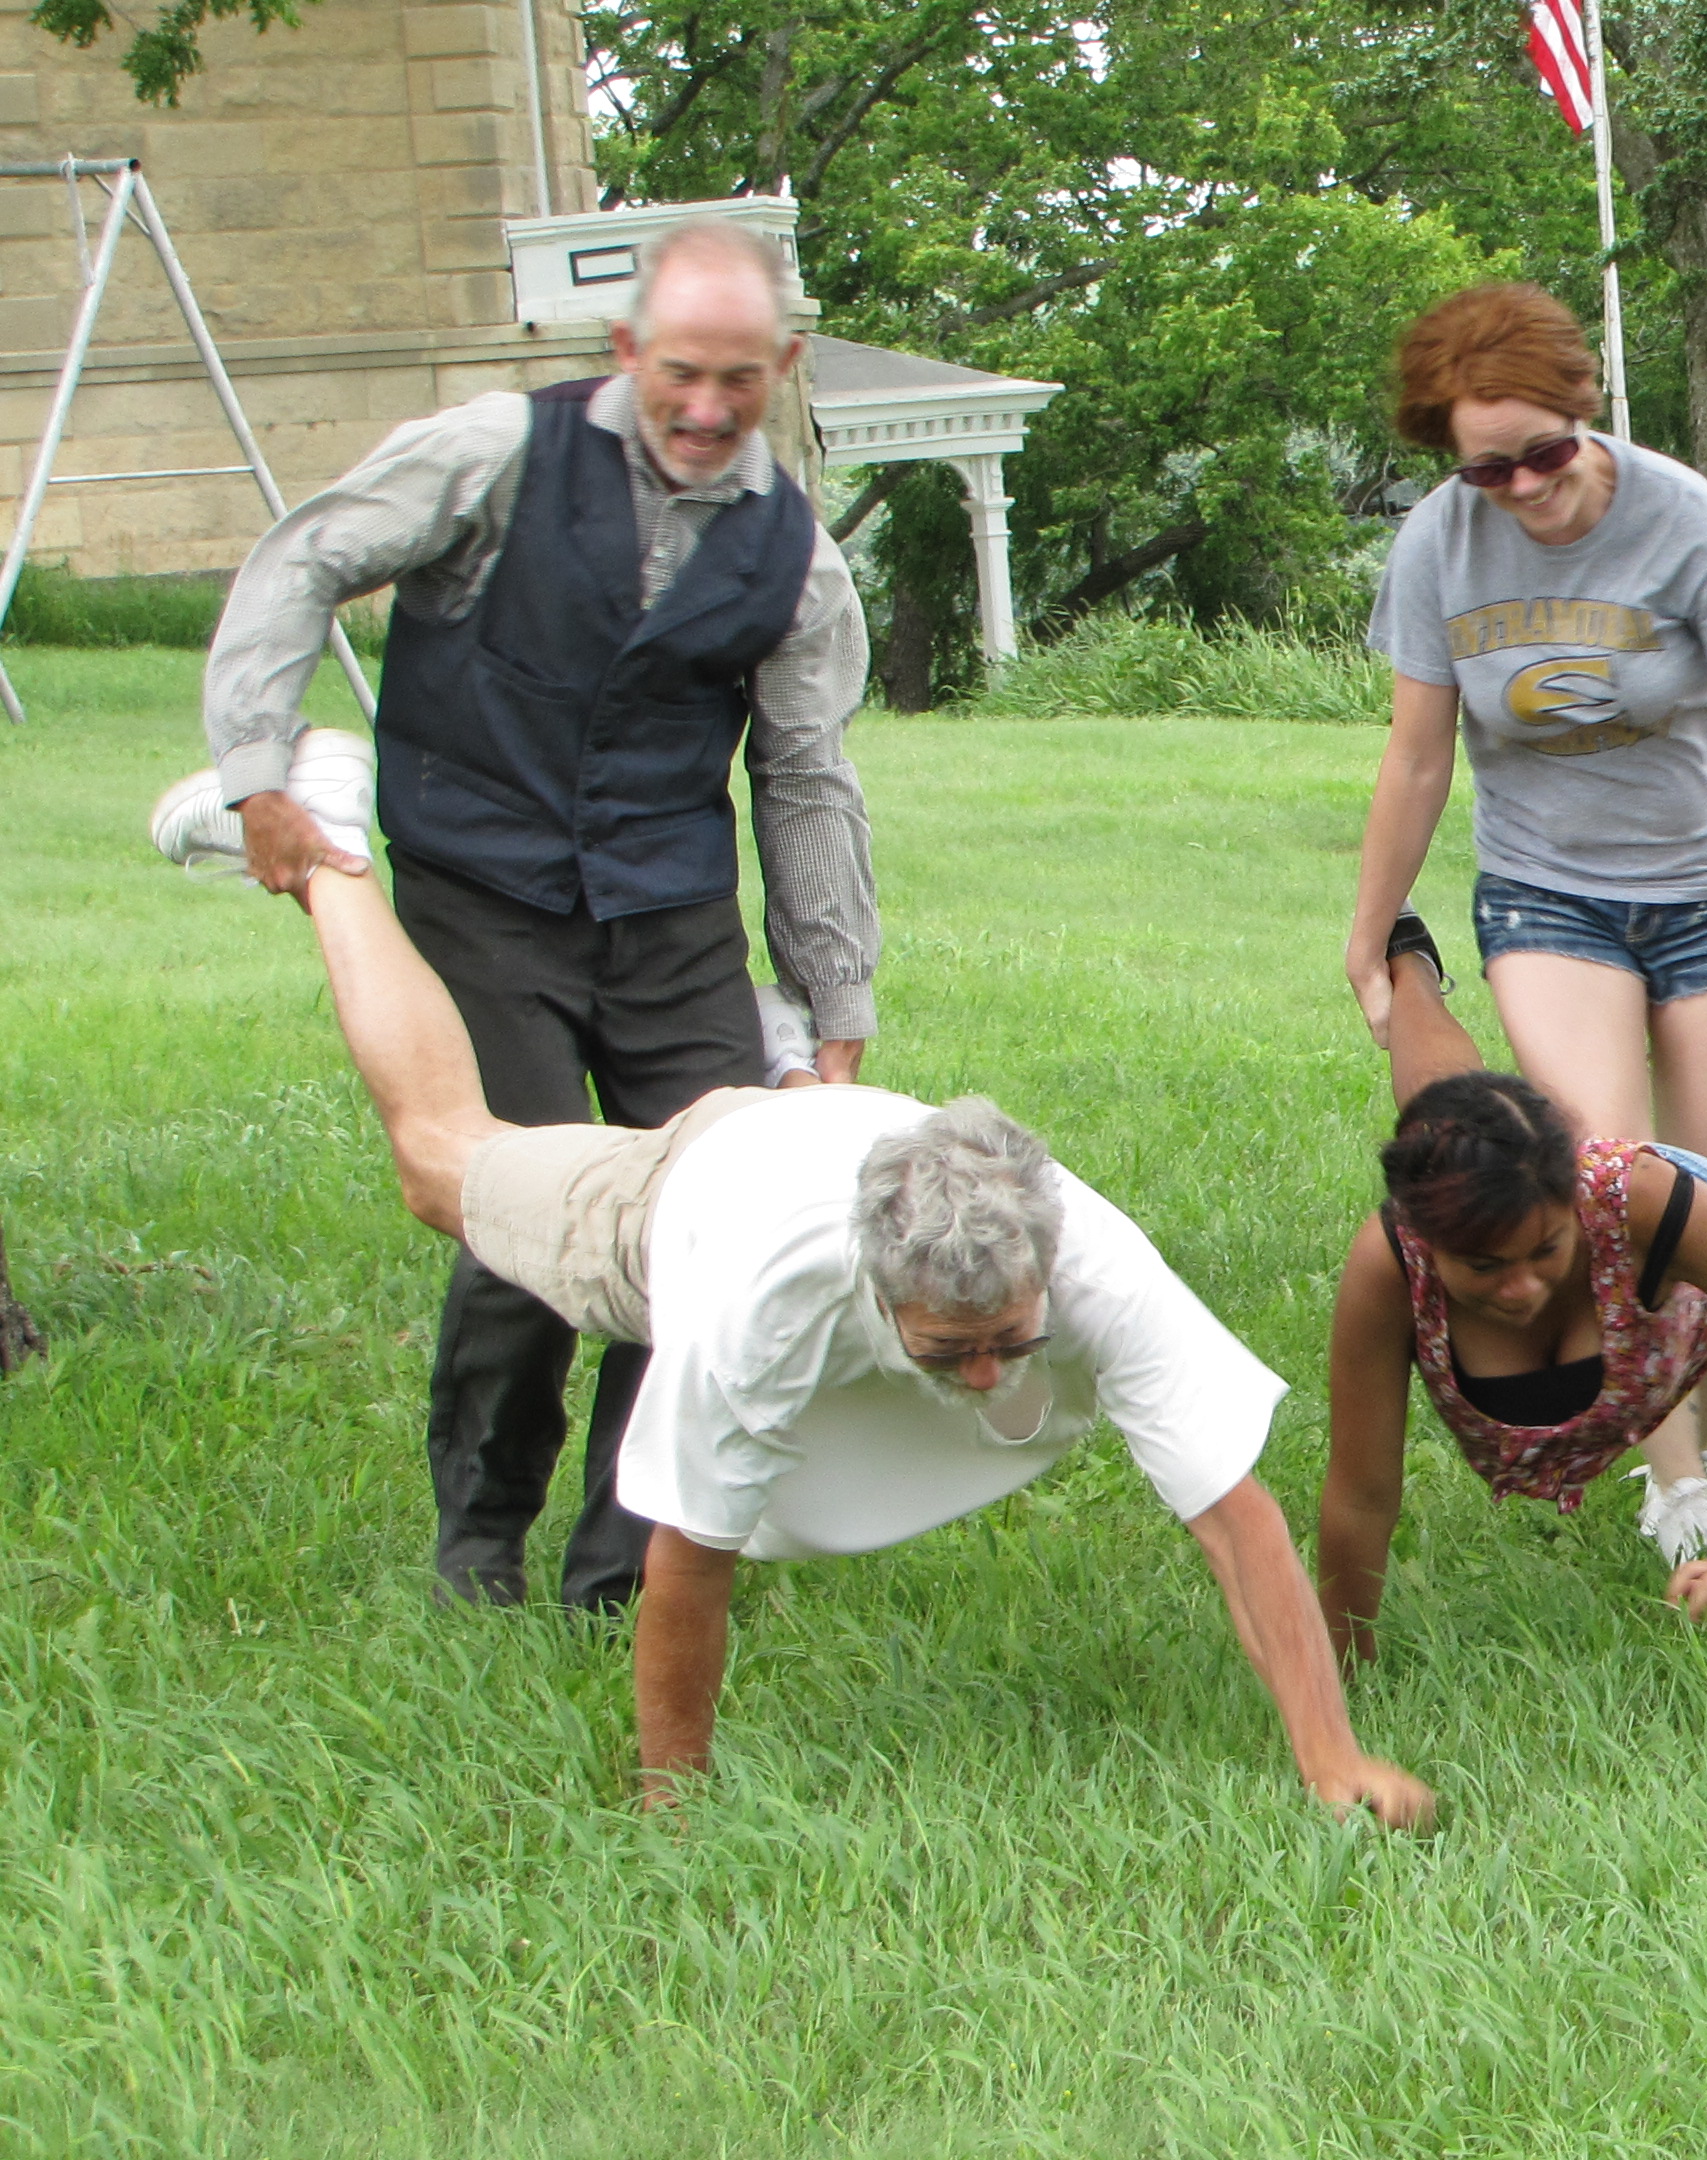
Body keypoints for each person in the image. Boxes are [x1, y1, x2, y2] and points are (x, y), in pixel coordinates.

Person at [145, 792, 1430, 1827]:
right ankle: (329, 855)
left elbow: (1234, 1517)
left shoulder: (1092, 1260)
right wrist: (673, 1807)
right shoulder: (767, 1295)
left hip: (836, 1137)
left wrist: (1331, 1761)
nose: (988, 1379)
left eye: (1012, 1346)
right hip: (694, 1193)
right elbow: (688, 1559)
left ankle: (771, 1037)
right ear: (879, 1289)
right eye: (951, 1352)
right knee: (440, 1159)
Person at [150, 217, 878, 1616]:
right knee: (520, 1222)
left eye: (740, 379)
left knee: (712, 1237)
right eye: (681, 374)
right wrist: (255, 773)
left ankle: (624, 1571)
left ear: (781, 366)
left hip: (669, 920)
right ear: (627, 353)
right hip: (482, 892)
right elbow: (300, 561)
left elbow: (805, 776)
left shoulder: (798, 558)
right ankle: (480, 1542)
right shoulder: (493, 451)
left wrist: (833, 999)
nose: (710, 408)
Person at [1339, 283, 1707, 1570]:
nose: (1520, 487)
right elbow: (1418, 758)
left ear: (1588, 414)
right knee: (1599, 1166)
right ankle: (1680, 1488)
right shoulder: (1439, 547)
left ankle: (1687, 1427)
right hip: (1547, 890)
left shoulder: (1695, 528)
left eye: (1542, 453)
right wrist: (1369, 933)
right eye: (1485, 467)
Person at [1311, 914, 1707, 1653]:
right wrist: (1341, 1676)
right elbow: (1360, 1496)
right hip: (1511, 1180)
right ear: (1426, 1240)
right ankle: (1407, 962)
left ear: (1572, 1208)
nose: (1518, 1290)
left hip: (1677, 1242)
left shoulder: (1633, 1199)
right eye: (1483, 1268)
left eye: (1544, 1252)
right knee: (1453, 1128)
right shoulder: (1393, 1259)